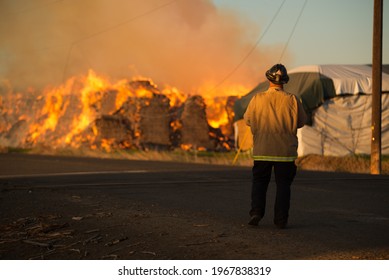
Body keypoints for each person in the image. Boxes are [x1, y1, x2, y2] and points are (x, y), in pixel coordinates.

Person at [244, 64, 307, 229]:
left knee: (259, 182)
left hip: (262, 151)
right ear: (284, 81)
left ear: (268, 78)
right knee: (283, 185)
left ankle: (256, 212)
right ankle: (281, 220)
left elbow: (248, 120)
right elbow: (301, 122)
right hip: (285, 152)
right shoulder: (293, 99)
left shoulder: (257, 99)